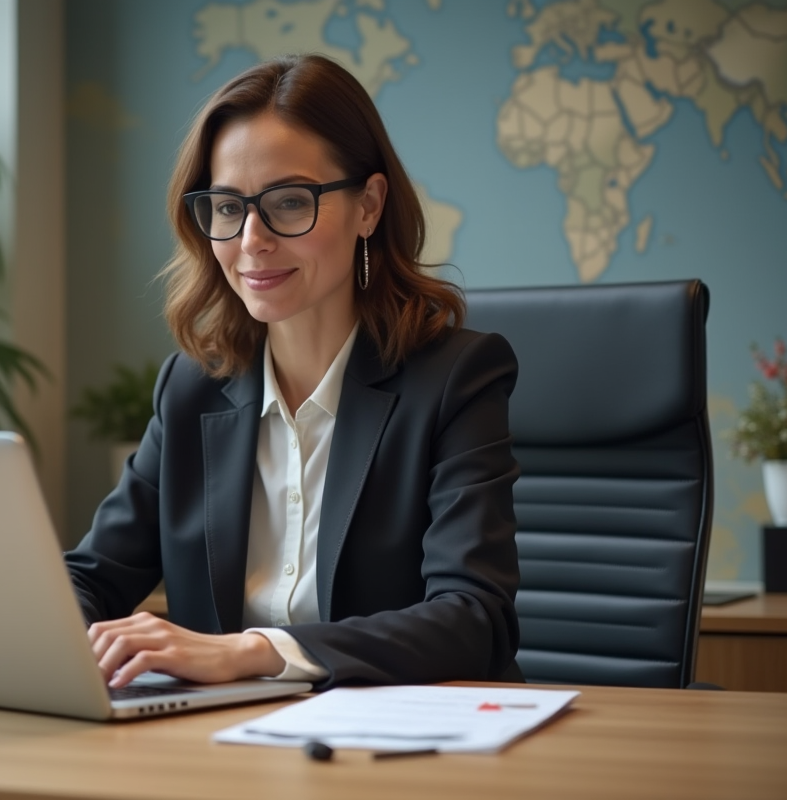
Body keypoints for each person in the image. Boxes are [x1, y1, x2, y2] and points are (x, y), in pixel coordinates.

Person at [64, 53, 522, 691]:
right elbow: (90, 577)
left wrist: (251, 652)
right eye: (227, 208)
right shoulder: (191, 391)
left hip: (404, 752)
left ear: (368, 206)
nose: (252, 238)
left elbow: (474, 619)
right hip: (220, 747)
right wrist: (52, 642)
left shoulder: (454, 380)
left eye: (287, 202)